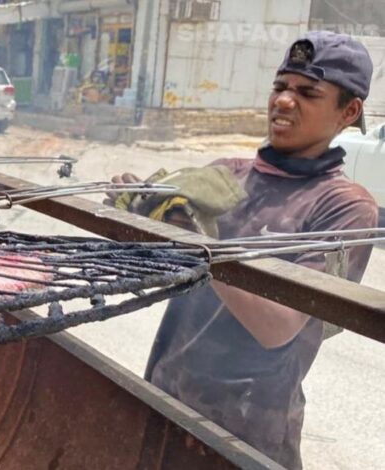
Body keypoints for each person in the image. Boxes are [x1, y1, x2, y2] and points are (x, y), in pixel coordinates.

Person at [104, 31, 377, 469]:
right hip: (165, 402)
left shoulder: (342, 207)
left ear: (349, 111)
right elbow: (162, 272)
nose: (284, 101)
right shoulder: (223, 176)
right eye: (280, 86)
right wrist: (138, 219)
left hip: (248, 434)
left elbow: (277, 327)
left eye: (307, 93)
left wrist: (196, 240)